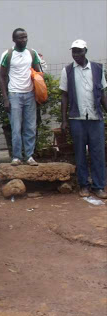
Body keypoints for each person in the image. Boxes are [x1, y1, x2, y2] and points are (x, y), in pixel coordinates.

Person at [59, 39, 107, 199]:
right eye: (73, 51)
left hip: (95, 118)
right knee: (79, 154)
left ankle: (99, 186)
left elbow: (102, 94)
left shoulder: (98, 69)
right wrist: (64, 120)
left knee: (98, 153)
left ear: (85, 51)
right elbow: (64, 96)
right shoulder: (67, 71)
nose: (76, 54)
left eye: (79, 51)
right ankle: (84, 185)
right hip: (76, 118)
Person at [0, 28, 42, 166]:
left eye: (25, 37)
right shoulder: (8, 54)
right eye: (20, 38)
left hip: (30, 94)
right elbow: (2, 76)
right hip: (14, 94)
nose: (23, 40)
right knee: (16, 128)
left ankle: (29, 156)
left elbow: (38, 72)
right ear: (14, 39)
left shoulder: (32, 53)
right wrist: (6, 98)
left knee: (30, 127)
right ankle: (17, 157)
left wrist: (39, 91)